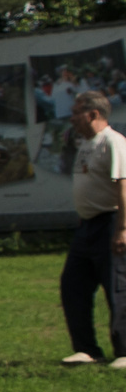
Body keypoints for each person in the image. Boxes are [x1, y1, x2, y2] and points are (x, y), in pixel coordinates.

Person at [58, 92, 126, 368]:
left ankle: (124, 352)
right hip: (87, 226)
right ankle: (87, 350)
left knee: (118, 287)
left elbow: (124, 187)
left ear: (93, 114)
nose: (72, 118)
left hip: (110, 223)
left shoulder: (114, 142)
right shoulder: (86, 144)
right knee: (73, 285)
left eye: (76, 113)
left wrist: (122, 229)